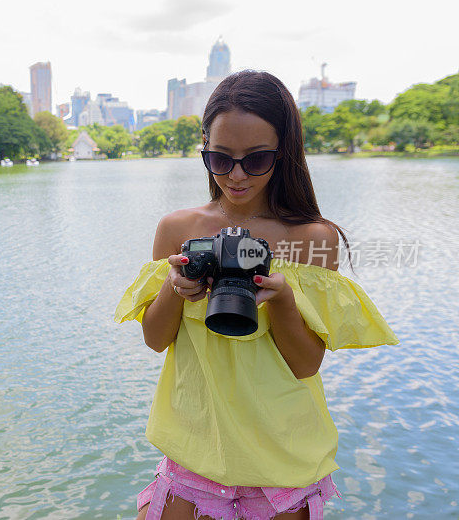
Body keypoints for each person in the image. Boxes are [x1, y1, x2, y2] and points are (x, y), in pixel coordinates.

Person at [114, 70, 399, 520]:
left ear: (283, 153)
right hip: (195, 447)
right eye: (220, 159)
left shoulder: (312, 238)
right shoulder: (178, 229)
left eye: (257, 159)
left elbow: (305, 364)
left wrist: (282, 300)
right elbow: (154, 338)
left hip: (283, 459)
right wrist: (176, 288)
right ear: (204, 149)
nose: (237, 175)